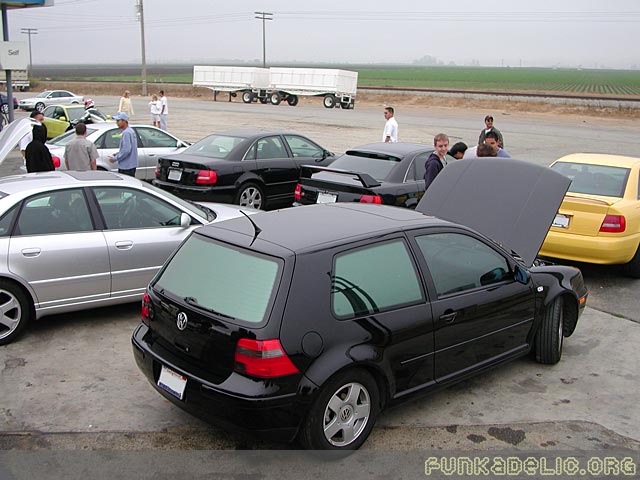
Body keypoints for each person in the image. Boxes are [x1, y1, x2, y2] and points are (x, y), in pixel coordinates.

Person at [108, 112, 138, 177]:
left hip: (126, 167)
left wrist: (115, 158)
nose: (117, 123)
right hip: (131, 165)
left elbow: (126, 150)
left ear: (124, 121)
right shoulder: (130, 131)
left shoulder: (126, 133)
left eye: (118, 121)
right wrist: (117, 154)